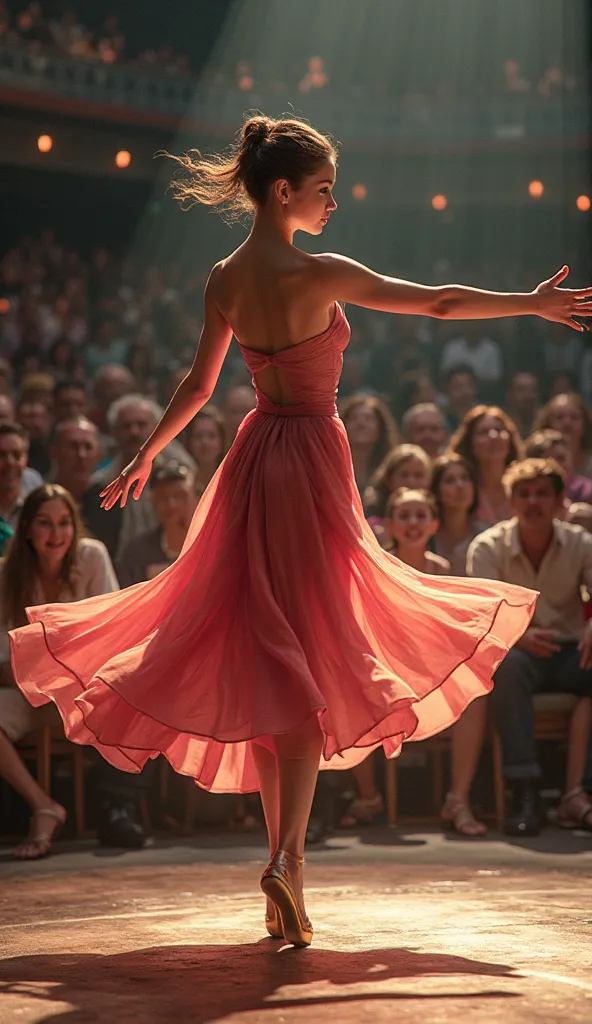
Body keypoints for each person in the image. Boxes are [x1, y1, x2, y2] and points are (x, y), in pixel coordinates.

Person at [12, 113, 592, 946]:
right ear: (283, 190)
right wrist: (529, 306)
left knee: (275, 655)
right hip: (312, 466)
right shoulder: (317, 272)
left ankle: (287, 868)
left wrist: (146, 451)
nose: (332, 203)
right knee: (309, 654)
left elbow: (200, 383)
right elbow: (434, 302)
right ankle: (287, 860)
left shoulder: (224, 276)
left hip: (253, 467)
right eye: (323, 190)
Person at [467, 458, 592, 836]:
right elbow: (481, 617)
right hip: (516, 652)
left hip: (569, 651)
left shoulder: (581, 543)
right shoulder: (488, 546)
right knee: (509, 667)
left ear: (559, 502)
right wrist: (519, 635)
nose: (533, 502)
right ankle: (524, 789)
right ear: (511, 501)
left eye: (542, 494)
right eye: (524, 494)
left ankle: (580, 792)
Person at [0, 484, 118, 858]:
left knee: (131, 694)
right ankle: (43, 806)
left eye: (64, 523)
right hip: (30, 692)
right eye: (45, 523)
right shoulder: (8, 574)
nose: (56, 534)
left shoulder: (91, 556)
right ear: (28, 529)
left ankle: (120, 810)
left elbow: (110, 631)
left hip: (86, 691)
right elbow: (3, 655)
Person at [116, 463, 197, 586]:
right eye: (163, 497)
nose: (171, 504)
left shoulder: (213, 545)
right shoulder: (136, 553)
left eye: (180, 496)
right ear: (153, 503)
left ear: (197, 499)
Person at [449, 405, 523, 526]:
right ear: (470, 443)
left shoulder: (525, 487)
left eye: (499, 430)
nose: (493, 436)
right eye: (483, 432)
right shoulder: (462, 490)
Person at [339, 395, 398, 495]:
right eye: (353, 418)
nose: (361, 424)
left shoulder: (394, 469)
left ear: (380, 428)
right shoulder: (330, 468)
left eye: (368, 418)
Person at [533, 392, 592, 479]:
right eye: (559, 417)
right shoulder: (533, 464)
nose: (567, 424)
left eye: (574, 417)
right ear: (547, 424)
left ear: (585, 424)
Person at [184, 404, 226, 490]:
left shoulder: (232, 479)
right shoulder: (182, 482)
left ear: (222, 441)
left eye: (211, 436)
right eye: (198, 436)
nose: (204, 443)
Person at [506, 371, 540, 439]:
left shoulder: (549, 425)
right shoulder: (503, 429)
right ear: (510, 395)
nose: (528, 395)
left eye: (533, 390)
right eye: (521, 390)